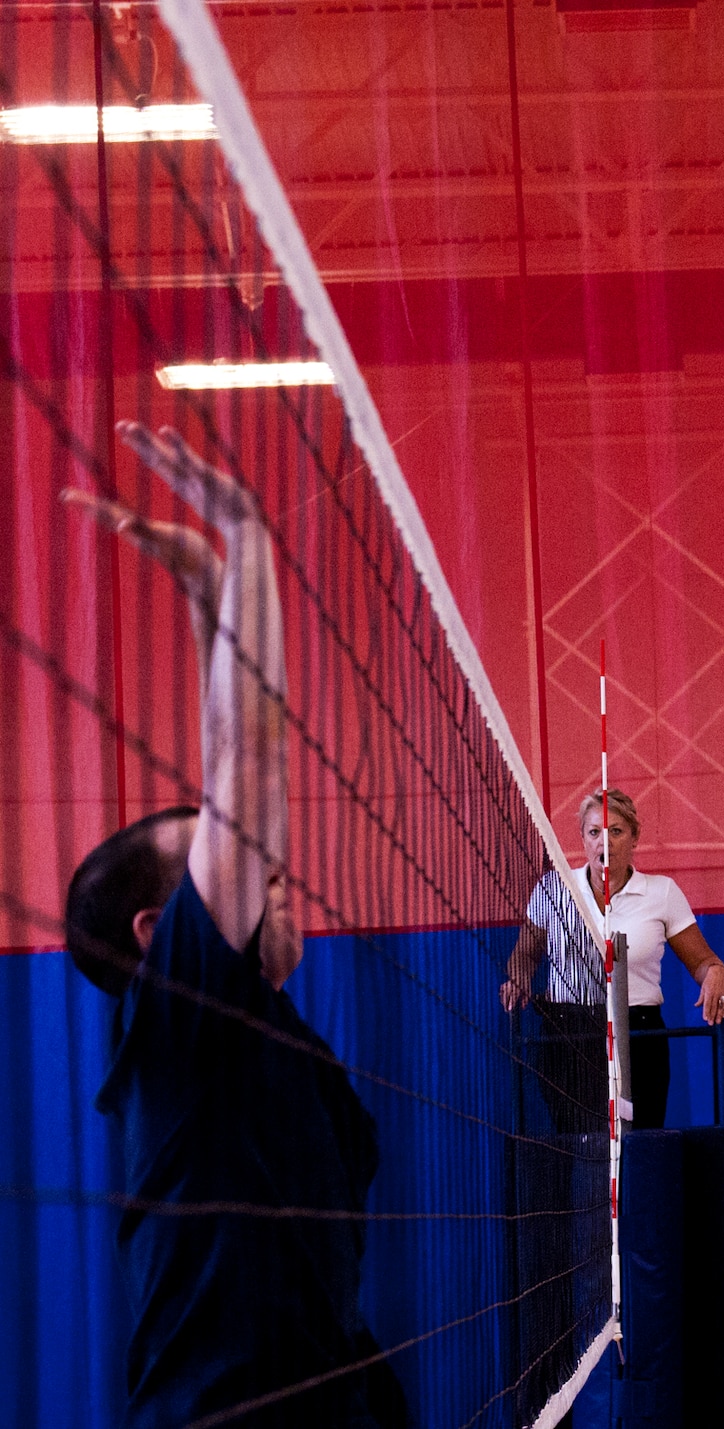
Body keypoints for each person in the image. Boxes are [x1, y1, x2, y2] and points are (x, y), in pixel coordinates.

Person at [61, 425, 408, 1428]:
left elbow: (233, 771)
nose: (262, 868)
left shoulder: (262, 1031)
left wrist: (213, 591)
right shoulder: (175, 1020)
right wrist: (249, 535)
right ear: (156, 932)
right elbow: (244, 770)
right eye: (224, 859)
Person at [501, 789, 724, 1132]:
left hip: (639, 1034)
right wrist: (518, 976)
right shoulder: (552, 890)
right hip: (568, 1035)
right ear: (582, 837)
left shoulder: (661, 893)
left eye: (616, 831)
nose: (603, 842)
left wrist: (715, 972)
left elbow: (704, 962)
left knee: (640, 1148)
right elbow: (524, 954)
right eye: (594, 832)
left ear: (634, 837)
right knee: (579, 1148)